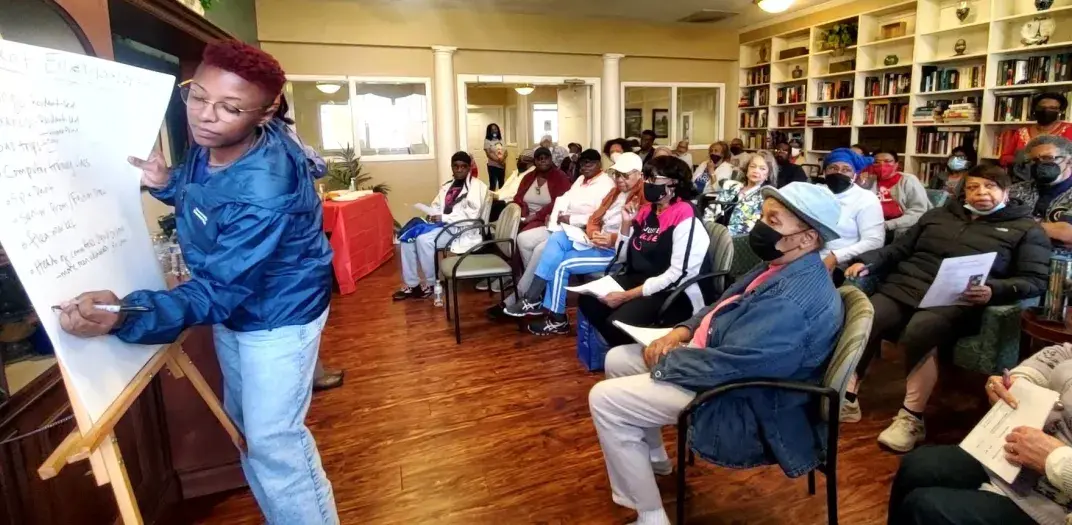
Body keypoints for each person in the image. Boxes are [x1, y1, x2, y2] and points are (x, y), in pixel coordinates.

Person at [56, 40, 338, 523]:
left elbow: (218, 289)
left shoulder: (264, 186)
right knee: (247, 427)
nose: (206, 116)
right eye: (197, 96)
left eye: (229, 108)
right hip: (240, 309)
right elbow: (209, 201)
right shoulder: (215, 142)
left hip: (278, 315)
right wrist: (169, 183)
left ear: (266, 111)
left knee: (274, 442)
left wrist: (125, 314)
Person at [588, 182, 844, 525]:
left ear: (808, 238)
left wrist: (670, 359)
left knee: (605, 400)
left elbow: (737, 365)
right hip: (720, 361)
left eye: (773, 220)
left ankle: (650, 515)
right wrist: (681, 331)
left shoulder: (791, 301)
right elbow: (721, 304)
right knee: (617, 359)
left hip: (747, 399)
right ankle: (655, 457)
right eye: (763, 215)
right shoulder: (781, 263)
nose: (760, 226)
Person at [843, 165, 1050, 452]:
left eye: (990, 187)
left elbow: (1035, 280)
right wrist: (868, 260)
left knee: (921, 329)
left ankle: (911, 418)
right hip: (906, 286)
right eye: (974, 187)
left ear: (1005, 192)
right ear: (964, 190)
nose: (981, 193)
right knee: (866, 317)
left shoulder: (1026, 229)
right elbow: (899, 249)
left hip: (958, 298)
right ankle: (847, 395)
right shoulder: (938, 215)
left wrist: (994, 290)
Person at [888, 343, 1072, 525]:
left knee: (925, 507)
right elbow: (1064, 352)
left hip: (1056, 502)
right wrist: (1020, 382)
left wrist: (1055, 460)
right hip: (1017, 459)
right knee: (916, 465)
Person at [576, 156, 709, 348]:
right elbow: (623, 257)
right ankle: (626, 348)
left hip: (673, 292)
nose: (647, 184)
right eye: (646, 178)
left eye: (653, 179)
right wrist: (626, 223)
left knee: (616, 323)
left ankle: (639, 354)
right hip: (641, 280)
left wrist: (627, 296)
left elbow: (679, 274)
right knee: (589, 301)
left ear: (673, 183)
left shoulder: (685, 215)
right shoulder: (647, 211)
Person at [505, 152, 642, 335]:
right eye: (617, 175)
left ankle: (556, 318)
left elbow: (638, 235)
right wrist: (594, 233)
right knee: (557, 238)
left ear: (639, 175)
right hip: (595, 240)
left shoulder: (642, 197)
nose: (620, 180)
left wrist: (610, 239)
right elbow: (595, 218)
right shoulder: (615, 191)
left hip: (615, 251)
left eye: (625, 176)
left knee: (560, 264)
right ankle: (533, 297)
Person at [394, 152, 489, 300]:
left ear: (469, 168)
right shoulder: (447, 186)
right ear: (452, 167)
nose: (459, 170)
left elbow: (472, 216)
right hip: (442, 225)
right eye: (456, 166)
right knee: (408, 237)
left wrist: (443, 217)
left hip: (460, 229)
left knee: (423, 240)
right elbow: (436, 204)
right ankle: (412, 285)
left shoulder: (477, 187)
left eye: (463, 167)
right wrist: (432, 213)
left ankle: (433, 283)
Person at [819, 148, 885, 274]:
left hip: (840, 262)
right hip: (803, 255)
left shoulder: (866, 198)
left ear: (855, 175)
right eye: (833, 168)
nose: (839, 173)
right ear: (824, 172)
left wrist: (835, 256)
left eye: (846, 170)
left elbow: (874, 241)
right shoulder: (814, 192)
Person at [1010, 135, 1072, 247]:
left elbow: (1067, 234)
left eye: (1048, 158)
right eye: (1035, 160)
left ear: (1069, 161)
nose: (1040, 164)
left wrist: (1015, 225)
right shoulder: (1014, 190)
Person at [514, 147, 571, 269]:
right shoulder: (528, 177)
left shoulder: (560, 177)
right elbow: (518, 197)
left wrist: (535, 216)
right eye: (539, 159)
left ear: (551, 159)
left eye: (546, 158)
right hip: (525, 216)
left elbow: (560, 201)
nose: (542, 161)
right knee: (508, 234)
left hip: (546, 218)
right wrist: (521, 212)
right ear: (535, 161)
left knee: (522, 235)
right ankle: (515, 272)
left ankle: (525, 274)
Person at [999, 92, 1072, 169]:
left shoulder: (1069, 130)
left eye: (1052, 108)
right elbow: (1004, 158)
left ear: (1060, 111)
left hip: (1060, 178)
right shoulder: (1021, 132)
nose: (1046, 111)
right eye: (1041, 108)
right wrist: (1026, 159)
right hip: (1023, 177)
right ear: (1035, 110)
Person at [871, 149, 931, 242]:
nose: (882, 165)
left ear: (896, 164)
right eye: (877, 162)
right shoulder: (869, 181)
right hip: (872, 226)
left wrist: (889, 225)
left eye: (887, 161)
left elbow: (918, 211)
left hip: (899, 227)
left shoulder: (908, 180)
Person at [727, 151, 778, 236]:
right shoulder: (730, 186)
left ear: (767, 175)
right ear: (747, 169)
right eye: (753, 166)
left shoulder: (765, 198)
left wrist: (721, 233)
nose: (756, 171)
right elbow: (711, 212)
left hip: (737, 239)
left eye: (762, 168)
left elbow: (748, 227)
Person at [484, 123, 507, 191]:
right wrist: (499, 161)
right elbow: (488, 154)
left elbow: (506, 152)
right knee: (493, 186)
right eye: (492, 130)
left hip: (502, 166)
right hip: (493, 167)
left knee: (502, 185)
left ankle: (501, 200)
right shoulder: (487, 141)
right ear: (489, 131)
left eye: (495, 129)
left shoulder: (501, 140)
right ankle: (492, 201)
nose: (494, 131)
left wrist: (503, 160)